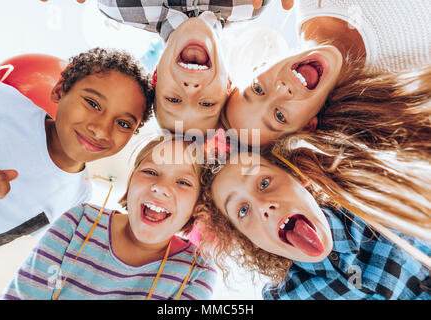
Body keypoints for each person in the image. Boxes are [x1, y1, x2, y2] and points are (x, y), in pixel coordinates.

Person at [0, 47, 154, 257]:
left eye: (124, 124)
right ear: (60, 90)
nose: (100, 130)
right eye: (92, 103)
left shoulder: (77, 199)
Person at [197, 146, 430, 299]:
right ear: (248, 240)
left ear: (298, 175)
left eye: (265, 183)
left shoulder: (373, 202)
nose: (262, 206)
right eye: (243, 210)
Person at [2, 135, 217, 300]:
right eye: (151, 172)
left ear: (198, 205)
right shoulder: (79, 222)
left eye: (183, 182)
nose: (160, 188)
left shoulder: (196, 272)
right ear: (132, 181)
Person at [221, 0, 431, 145]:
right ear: (307, 126)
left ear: (260, 66)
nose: (280, 89)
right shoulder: (408, 81)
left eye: (258, 89)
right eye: (279, 115)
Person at [96, 0, 272, 134]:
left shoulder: (117, 6)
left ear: (156, 75)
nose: (190, 89)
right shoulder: (250, 6)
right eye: (206, 103)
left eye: (173, 100)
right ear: (228, 83)